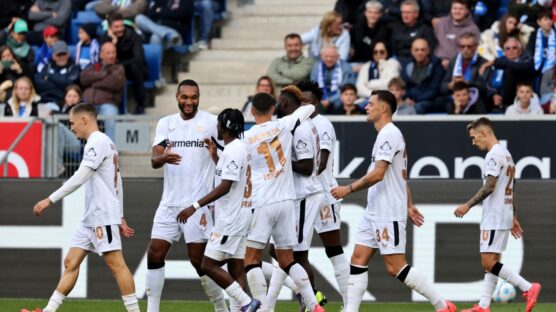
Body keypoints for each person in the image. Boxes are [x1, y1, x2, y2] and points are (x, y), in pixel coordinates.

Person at [331, 90, 457, 312]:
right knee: (358, 257)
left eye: (370, 104)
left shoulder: (390, 133)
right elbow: (400, 175)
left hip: (387, 211)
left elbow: (379, 173)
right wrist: (409, 204)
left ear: (382, 108)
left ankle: (442, 304)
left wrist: (348, 189)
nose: (366, 107)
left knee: (395, 266)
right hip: (374, 210)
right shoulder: (384, 135)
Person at [31, 103, 140, 312]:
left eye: (72, 123)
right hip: (93, 216)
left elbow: (80, 177)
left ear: (84, 120)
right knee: (71, 262)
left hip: (102, 214)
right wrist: (121, 215)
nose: (71, 128)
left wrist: (49, 199)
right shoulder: (106, 142)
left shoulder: (96, 141)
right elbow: (118, 181)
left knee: (117, 265)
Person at [145, 79, 228, 312]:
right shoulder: (166, 123)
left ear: (199, 98)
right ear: (177, 98)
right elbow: (154, 159)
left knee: (199, 262)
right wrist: (162, 158)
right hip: (169, 203)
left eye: (194, 97)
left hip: (196, 204)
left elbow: (229, 156)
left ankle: (221, 307)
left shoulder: (212, 123)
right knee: (154, 252)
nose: (189, 102)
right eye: (185, 97)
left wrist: (215, 155)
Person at [241, 91, 323, 312]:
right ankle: (314, 305)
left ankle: (262, 307)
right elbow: (309, 108)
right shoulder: (284, 124)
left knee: (250, 259)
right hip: (287, 202)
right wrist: (303, 102)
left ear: (251, 111)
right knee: (287, 259)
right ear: (273, 109)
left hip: (262, 202)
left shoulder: (246, 138)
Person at [176, 108, 261, 312]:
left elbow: (225, 186)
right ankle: (240, 308)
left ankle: (247, 302)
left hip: (231, 218)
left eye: (219, 124)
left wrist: (194, 206)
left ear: (224, 126)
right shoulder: (236, 148)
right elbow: (229, 174)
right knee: (236, 267)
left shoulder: (234, 150)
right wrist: (215, 155)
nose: (217, 127)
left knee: (207, 265)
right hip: (242, 214)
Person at [455, 117, 542, 312]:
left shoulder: (493, 155)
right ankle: (484, 306)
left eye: (474, 137)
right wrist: (513, 216)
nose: (473, 142)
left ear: (483, 133)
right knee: (491, 263)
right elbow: (512, 187)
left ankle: (528, 287)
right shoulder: (507, 154)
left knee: (488, 261)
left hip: (494, 216)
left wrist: (467, 205)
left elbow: (490, 186)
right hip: (504, 213)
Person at [297, 79, 350, 307]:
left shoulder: (324, 124)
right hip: (302, 197)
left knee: (334, 250)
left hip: (324, 195)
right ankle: (312, 297)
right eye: (300, 101)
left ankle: (350, 304)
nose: (303, 105)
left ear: (316, 103)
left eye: (307, 101)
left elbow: (322, 161)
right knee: (293, 252)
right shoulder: (294, 124)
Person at [101, 12, 147, 114]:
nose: (120, 29)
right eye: (116, 27)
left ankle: (140, 105)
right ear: (110, 28)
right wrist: (113, 42)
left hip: (131, 69)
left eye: (121, 26)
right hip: (113, 70)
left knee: (136, 68)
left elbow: (139, 59)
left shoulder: (134, 36)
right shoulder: (105, 38)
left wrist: (120, 65)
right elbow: (103, 59)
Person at [80, 41, 125, 141]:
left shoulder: (118, 68)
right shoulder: (94, 66)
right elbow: (83, 78)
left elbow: (114, 83)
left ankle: (110, 153)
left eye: (113, 53)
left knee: (111, 117)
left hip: (108, 103)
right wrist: (102, 75)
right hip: (88, 104)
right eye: (108, 53)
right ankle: (85, 152)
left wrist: (93, 83)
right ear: (101, 54)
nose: (111, 56)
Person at [481, 37, 536, 109]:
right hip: (496, 99)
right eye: (508, 48)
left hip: (516, 99)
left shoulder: (527, 61)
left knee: (509, 72)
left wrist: (495, 62)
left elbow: (516, 66)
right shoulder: (499, 62)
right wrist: (493, 95)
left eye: (514, 48)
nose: (511, 50)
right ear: (504, 51)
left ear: (520, 50)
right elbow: (488, 83)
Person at [400, 38, 445, 114]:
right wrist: (407, 98)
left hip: (430, 101)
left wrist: (416, 100)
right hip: (411, 101)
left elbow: (435, 89)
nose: (420, 53)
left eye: (422, 50)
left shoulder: (436, 65)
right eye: (416, 50)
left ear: (428, 51)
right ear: (412, 52)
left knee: (419, 106)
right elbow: (404, 86)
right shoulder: (407, 66)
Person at [433, 0, 481, 69]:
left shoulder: (473, 29)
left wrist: (452, 62)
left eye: (461, 9)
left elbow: (472, 52)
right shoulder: (441, 23)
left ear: (466, 11)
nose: (457, 12)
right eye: (455, 8)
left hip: (460, 65)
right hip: (437, 63)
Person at [440, 32, 489, 99]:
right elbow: (443, 86)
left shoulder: (483, 63)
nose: (465, 49)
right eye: (463, 47)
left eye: (469, 47)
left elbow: (484, 86)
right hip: (454, 97)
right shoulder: (454, 61)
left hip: (474, 97)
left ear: (475, 46)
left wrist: (467, 83)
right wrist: (451, 85)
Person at [310, 45, 356, 114]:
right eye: (326, 56)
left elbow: (346, 89)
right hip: (320, 97)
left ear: (338, 56)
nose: (329, 59)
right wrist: (320, 99)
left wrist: (329, 100)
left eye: (332, 57)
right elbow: (313, 86)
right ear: (321, 56)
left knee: (339, 103)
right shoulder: (316, 66)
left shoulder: (346, 67)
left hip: (338, 98)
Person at [35, 41, 80, 109]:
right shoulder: (48, 66)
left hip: (63, 102)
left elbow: (69, 83)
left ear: (68, 54)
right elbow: (38, 82)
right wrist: (59, 83)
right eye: (59, 55)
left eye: (63, 54)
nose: (62, 57)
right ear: (53, 56)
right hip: (44, 99)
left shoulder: (73, 67)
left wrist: (50, 77)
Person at [527, 11, 556, 92]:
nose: (549, 22)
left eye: (550, 19)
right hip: (536, 62)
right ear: (539, 22)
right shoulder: (534, 34)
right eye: (546, 19)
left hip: (552, 64)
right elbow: (529, 51)